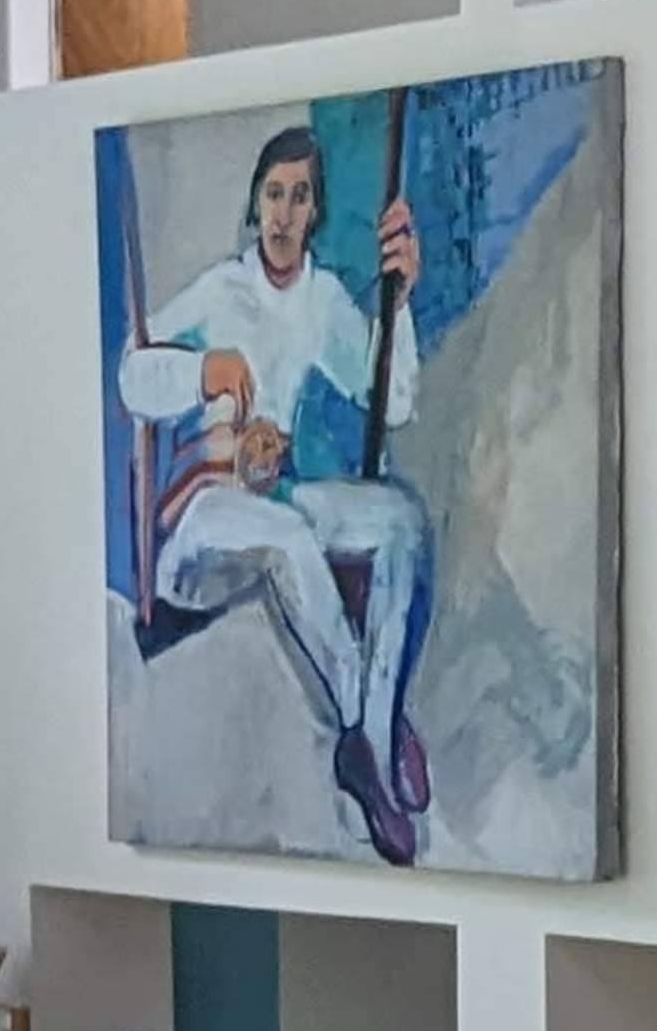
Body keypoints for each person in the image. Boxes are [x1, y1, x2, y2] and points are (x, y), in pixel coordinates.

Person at [118, 124, 433, 862]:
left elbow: (393, 401)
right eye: (272, 195)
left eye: (299, 197)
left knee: (401, 521)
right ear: (255, 205)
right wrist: (202, 372)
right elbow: (131, 377)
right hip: (201, 520)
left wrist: (403, 299)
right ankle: (375, 736)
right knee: (289, 537)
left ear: (315, 211)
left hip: (272, 495)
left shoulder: (321, 297)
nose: (285, 214)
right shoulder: (220, 291)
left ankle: (371, 732)